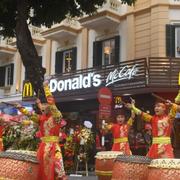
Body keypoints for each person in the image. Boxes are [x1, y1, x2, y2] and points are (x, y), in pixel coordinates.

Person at [17, 81, 66, 180]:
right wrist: (21, 109)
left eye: (45, 104)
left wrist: (46, 87)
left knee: (56, 169)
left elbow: (51, 101)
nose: (43, 106)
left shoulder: (57, 116)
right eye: (42, 105)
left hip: (53, 147)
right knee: (40, 169)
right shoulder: (41, 118)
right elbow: (30, 115)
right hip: (43, 147)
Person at [126, 93, 180, 159]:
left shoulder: (169, 118)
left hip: (166, 147)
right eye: (155, 106)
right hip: (154, 147)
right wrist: (133, 107)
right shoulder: (152, 119)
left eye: (159, 106)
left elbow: (177, 109)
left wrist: (171, 104)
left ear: (164, 109)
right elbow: (141, 113)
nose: (156, 108)